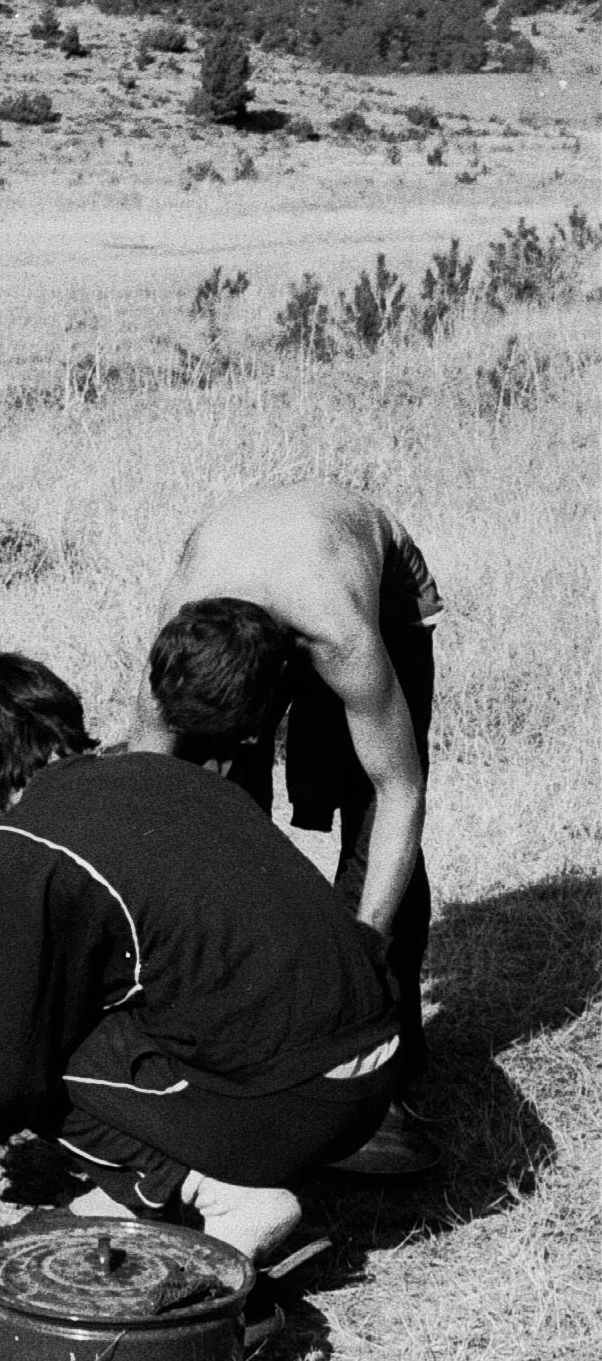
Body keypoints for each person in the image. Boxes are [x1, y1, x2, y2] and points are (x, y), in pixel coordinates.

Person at [0, 650, 403, 1263]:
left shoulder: (22, 840)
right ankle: (140, 1190)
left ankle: (223, 1196)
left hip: (293, 1108)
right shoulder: (177, 775)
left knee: (34, 1051)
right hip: (374, 1079)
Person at [143, 484, 439, 1175]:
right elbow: (150, 795)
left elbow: (401, 792)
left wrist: (364, 946)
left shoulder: (344, 637)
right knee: (218, 788)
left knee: (366, 805)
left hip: (377, 583)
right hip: (249, 557)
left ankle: (385, 1063)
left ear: (279, 675)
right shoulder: (176, 641)